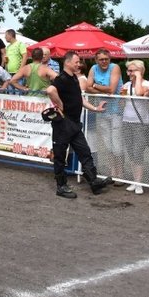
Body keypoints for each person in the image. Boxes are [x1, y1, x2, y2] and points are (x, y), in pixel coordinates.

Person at [45, 51, 114, 199]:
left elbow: (79, 99)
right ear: (67, 62)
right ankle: (61, 186)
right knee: (60, 155)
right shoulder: (61, 78)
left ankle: (93, 181)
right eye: (76, 62)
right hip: (63, 124)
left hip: (75, 124)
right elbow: (50, 90)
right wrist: (60, 104)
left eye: (79, 62)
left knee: (85, 152)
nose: (79, 64)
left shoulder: (74, 78)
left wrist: (95, 108)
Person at [84, 49, 123, 184]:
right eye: (101, 59)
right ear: (96, 60)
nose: (104, 61)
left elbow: (112, 89)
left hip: (116, 110)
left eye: (106, 59)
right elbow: (87, 87)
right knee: (108, 144)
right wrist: (101, 89)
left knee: (117, 144)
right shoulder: (93, 69)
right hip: (102, 110)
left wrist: (95, 85)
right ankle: (113, 173)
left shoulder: (114, 67)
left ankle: (120, 174)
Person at [120, 60, 149, 194]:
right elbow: (122, 103)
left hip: (140, 123)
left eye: (132, 71)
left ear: (140, 71)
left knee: (138, 152)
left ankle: (139, 183)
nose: (129, 73)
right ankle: (134, 181)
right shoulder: (126, 85)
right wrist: (121, 95)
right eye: (128, 71)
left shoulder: (147, 84)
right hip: (127, 121)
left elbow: (139, 93)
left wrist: (138, 77)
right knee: (131, 152)